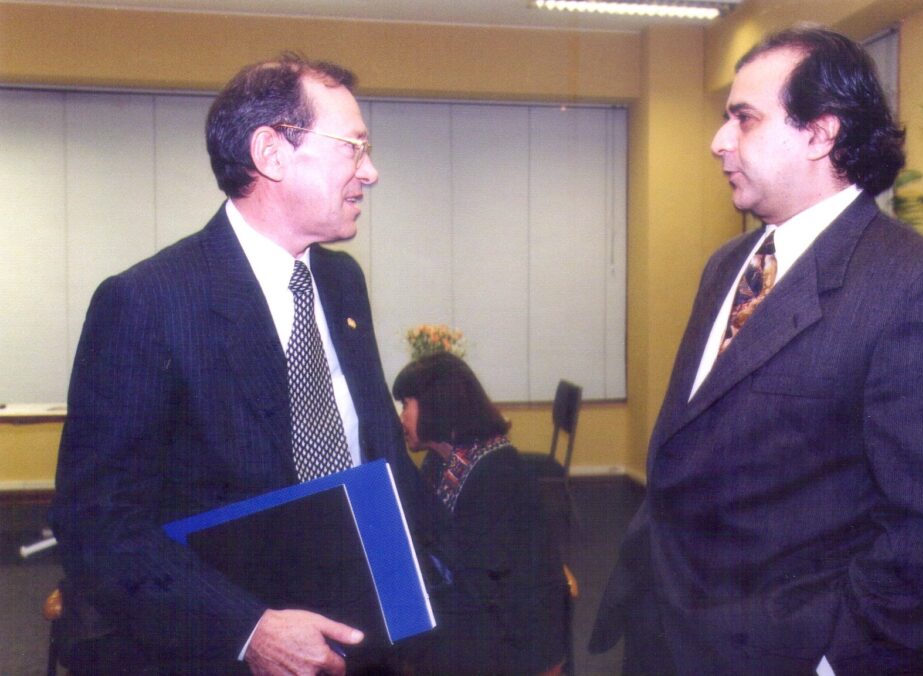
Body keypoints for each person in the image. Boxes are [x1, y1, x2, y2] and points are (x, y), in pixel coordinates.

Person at [590, 25, 923, 675]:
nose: (718, 141)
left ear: (820, 133)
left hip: (784, 654)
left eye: (743, 120)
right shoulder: (729, 265)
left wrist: (833, 662)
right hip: (667, 631)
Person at [50, 53, 434, 675]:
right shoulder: (149, 302)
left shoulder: (341, 283)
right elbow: (98, 523)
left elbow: (376, 454)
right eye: (354, 148)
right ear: (272, 153)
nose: (372, 172)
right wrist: (249, 630)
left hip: (365, 638)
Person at [391, 352, 568, 675]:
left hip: (514, 643)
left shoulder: (496, 472)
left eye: (406, 404)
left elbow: (482, 584)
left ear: (434, 404)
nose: (401, 417)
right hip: (481, 619)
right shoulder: (443, 459)